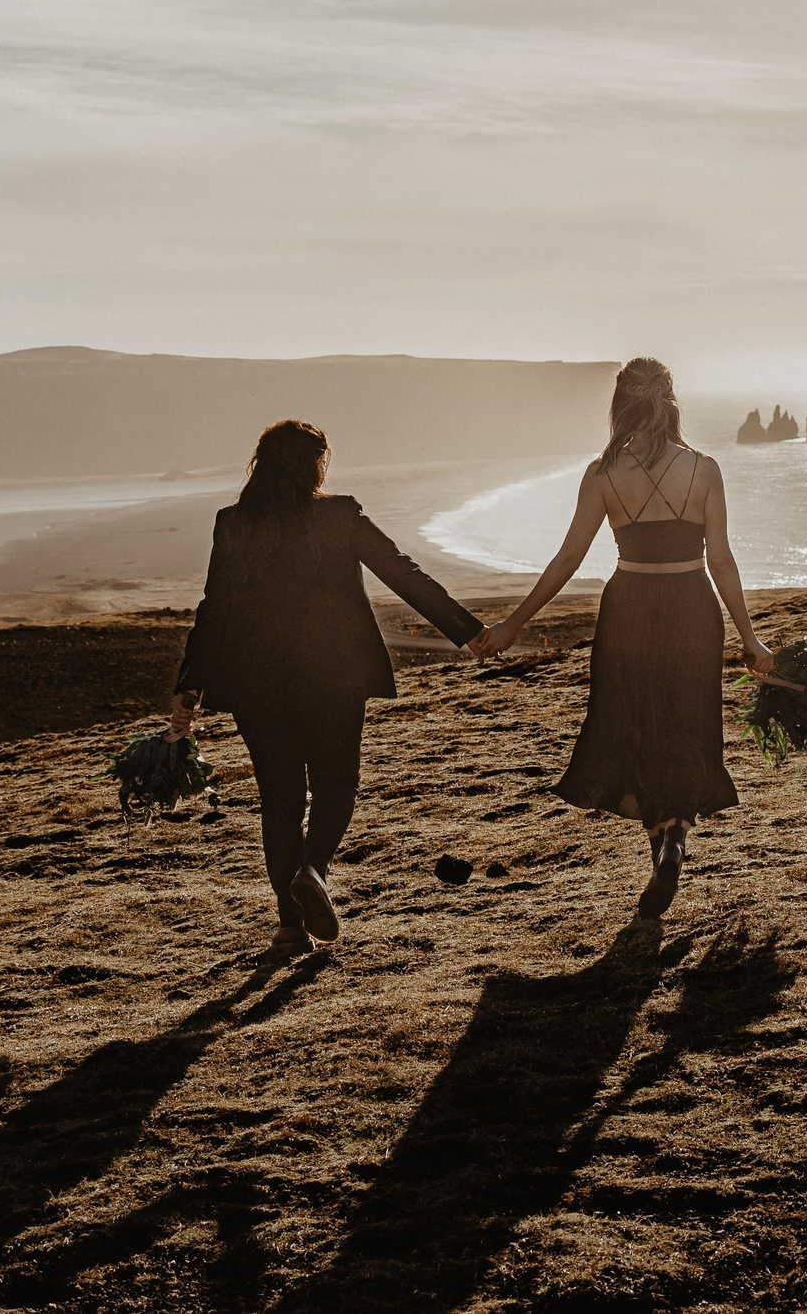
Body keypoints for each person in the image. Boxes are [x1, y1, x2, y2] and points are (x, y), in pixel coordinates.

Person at [169, 419, 487, 951]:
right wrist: (470, 632)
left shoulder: (233, 523)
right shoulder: (339, 516)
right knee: (336, 786)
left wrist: (190, 682)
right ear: (314, 464)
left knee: (280, 799)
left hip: (257, 683)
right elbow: (401, 572)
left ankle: (290, 929)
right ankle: (313, 872)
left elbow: (215, 607)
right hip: (333, 675)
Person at [479, 358, 775, 921]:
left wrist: (512, 625)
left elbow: (568, 559)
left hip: (629, 610)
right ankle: (675, 838)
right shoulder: (705, 469)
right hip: (691, 609)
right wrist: (750, 640)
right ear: (671, 401)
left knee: (638, 727)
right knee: (686, 726)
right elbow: (722, 561)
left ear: (619, 405)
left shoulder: (602, 474)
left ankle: (661, 843)